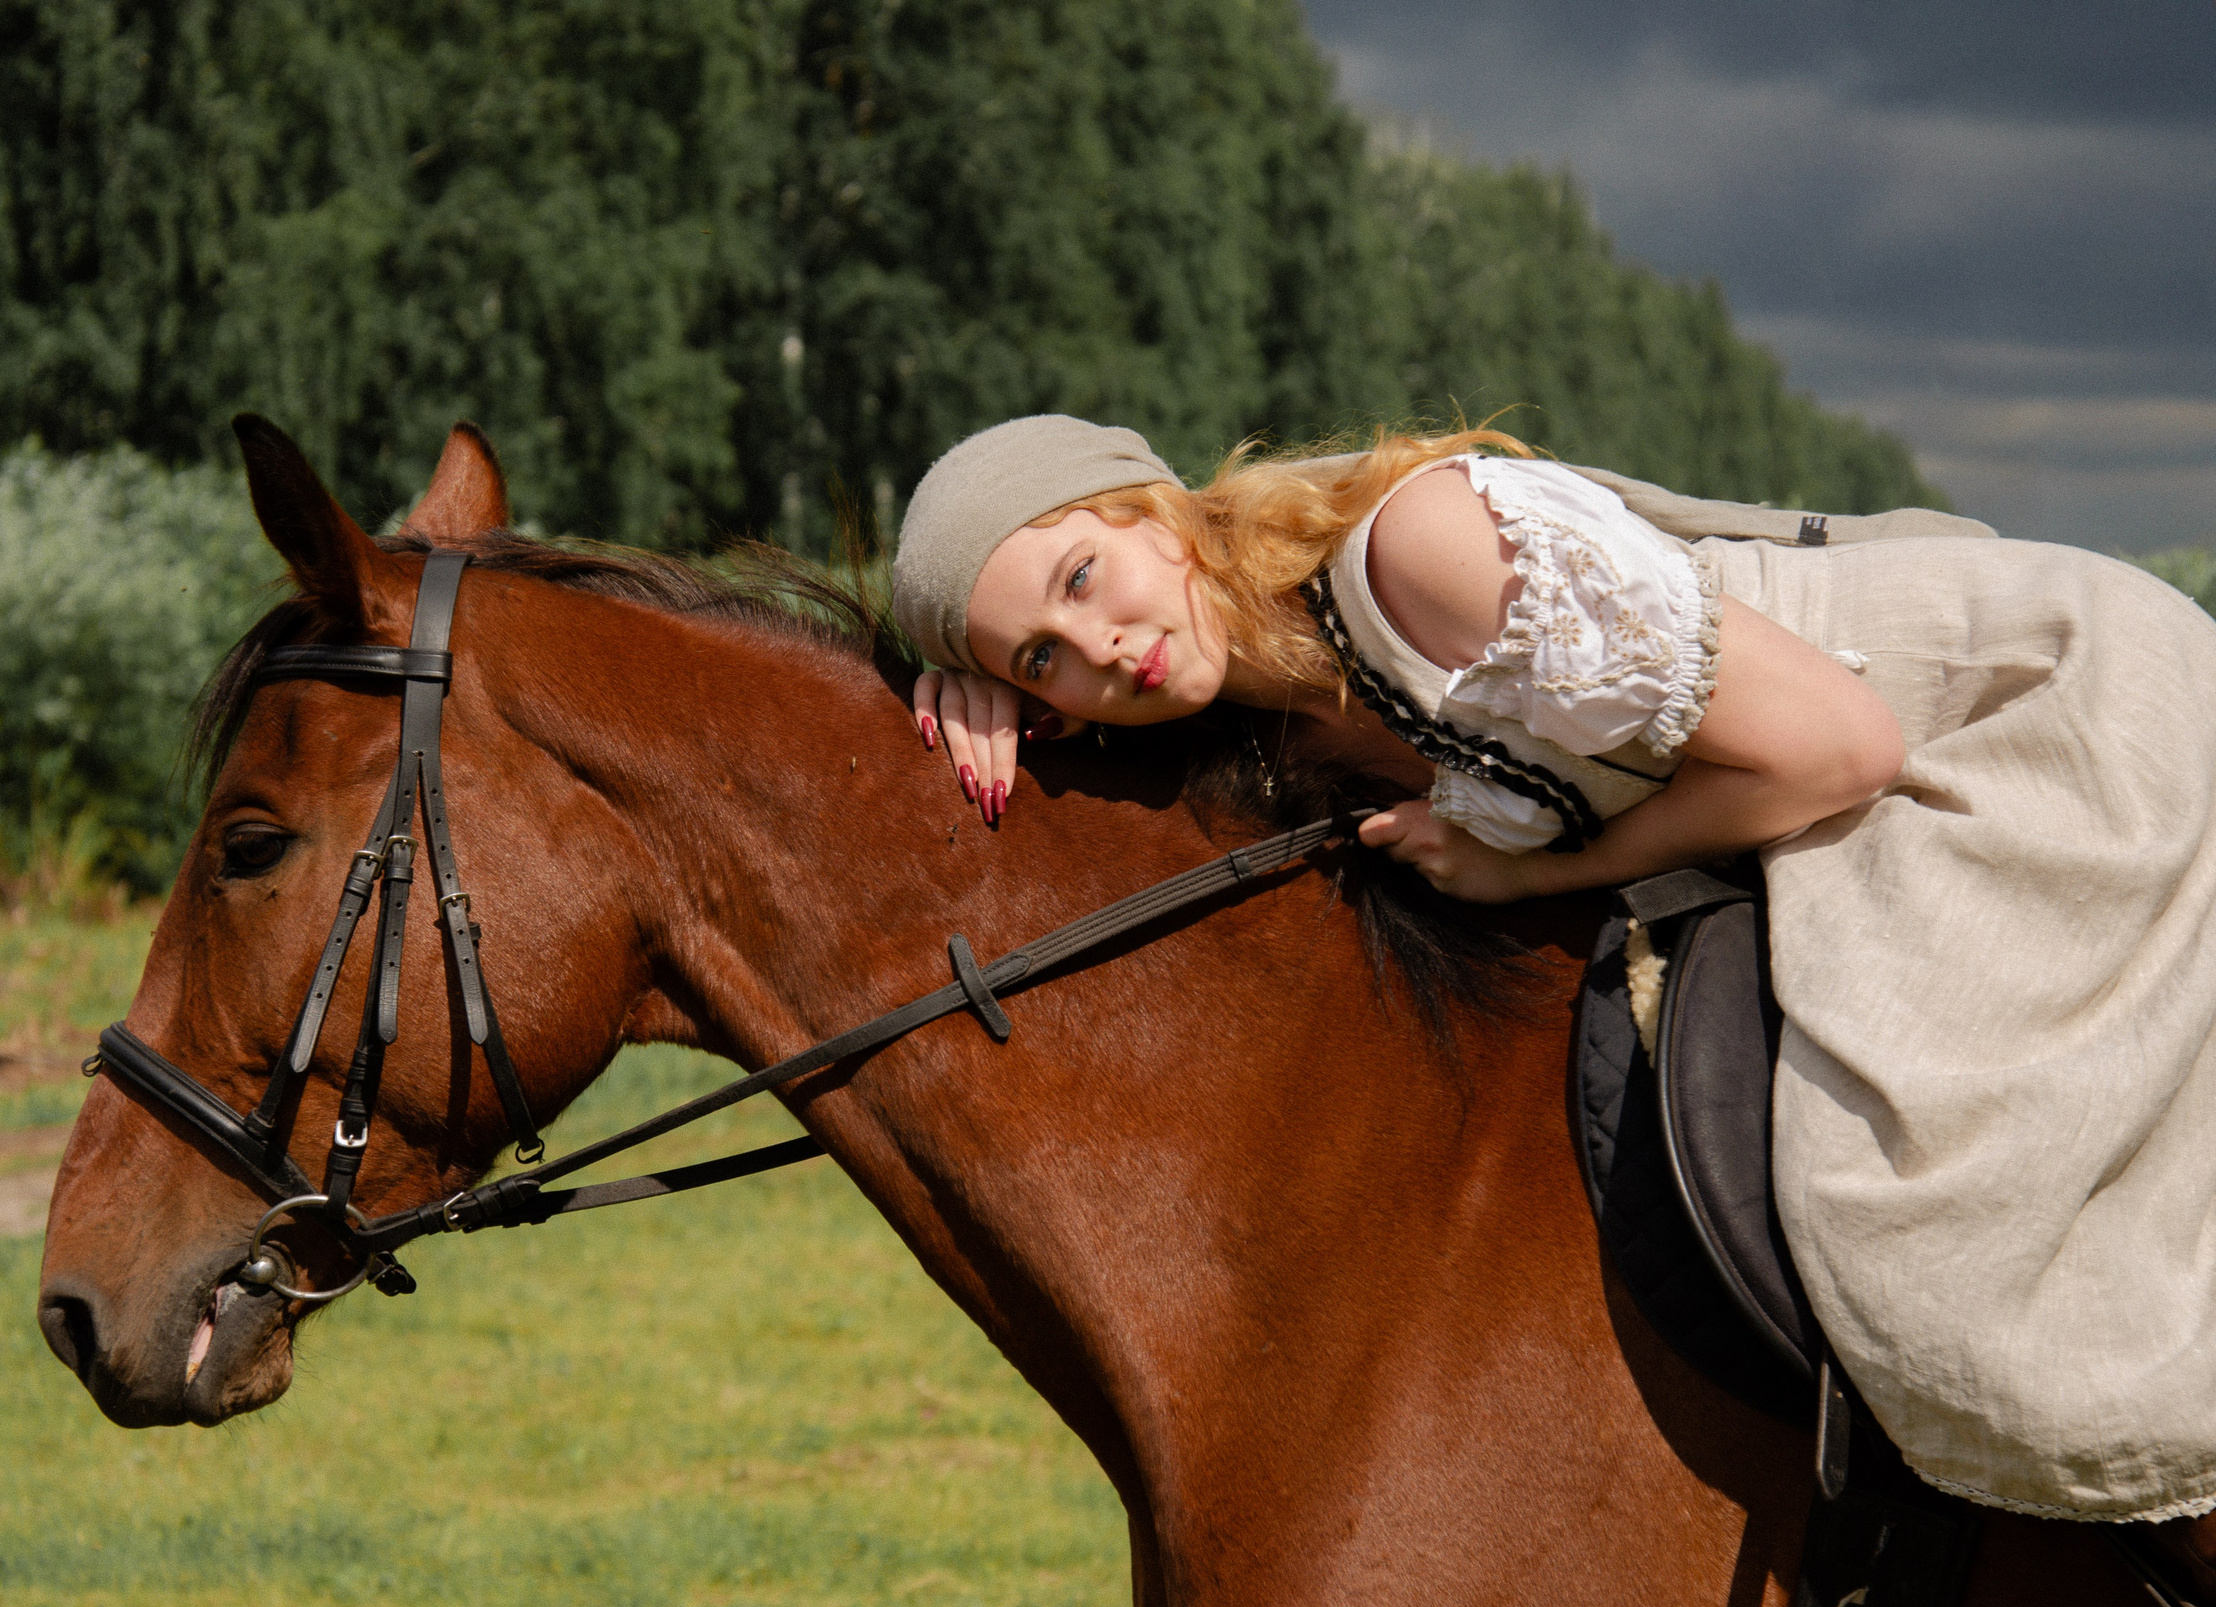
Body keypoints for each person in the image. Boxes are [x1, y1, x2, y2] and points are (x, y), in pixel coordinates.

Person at [886, 413, 2216, 1533]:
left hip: (2023, 743)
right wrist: (958, 690)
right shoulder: (1283, 713)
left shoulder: (1417, 559)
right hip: (1850, 811)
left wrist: (1532, 874)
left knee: (1938, 1243)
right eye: (1044, 660)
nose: (1106, 648)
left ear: (1150, 510)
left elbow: (1839, 746)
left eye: (1078, 580)